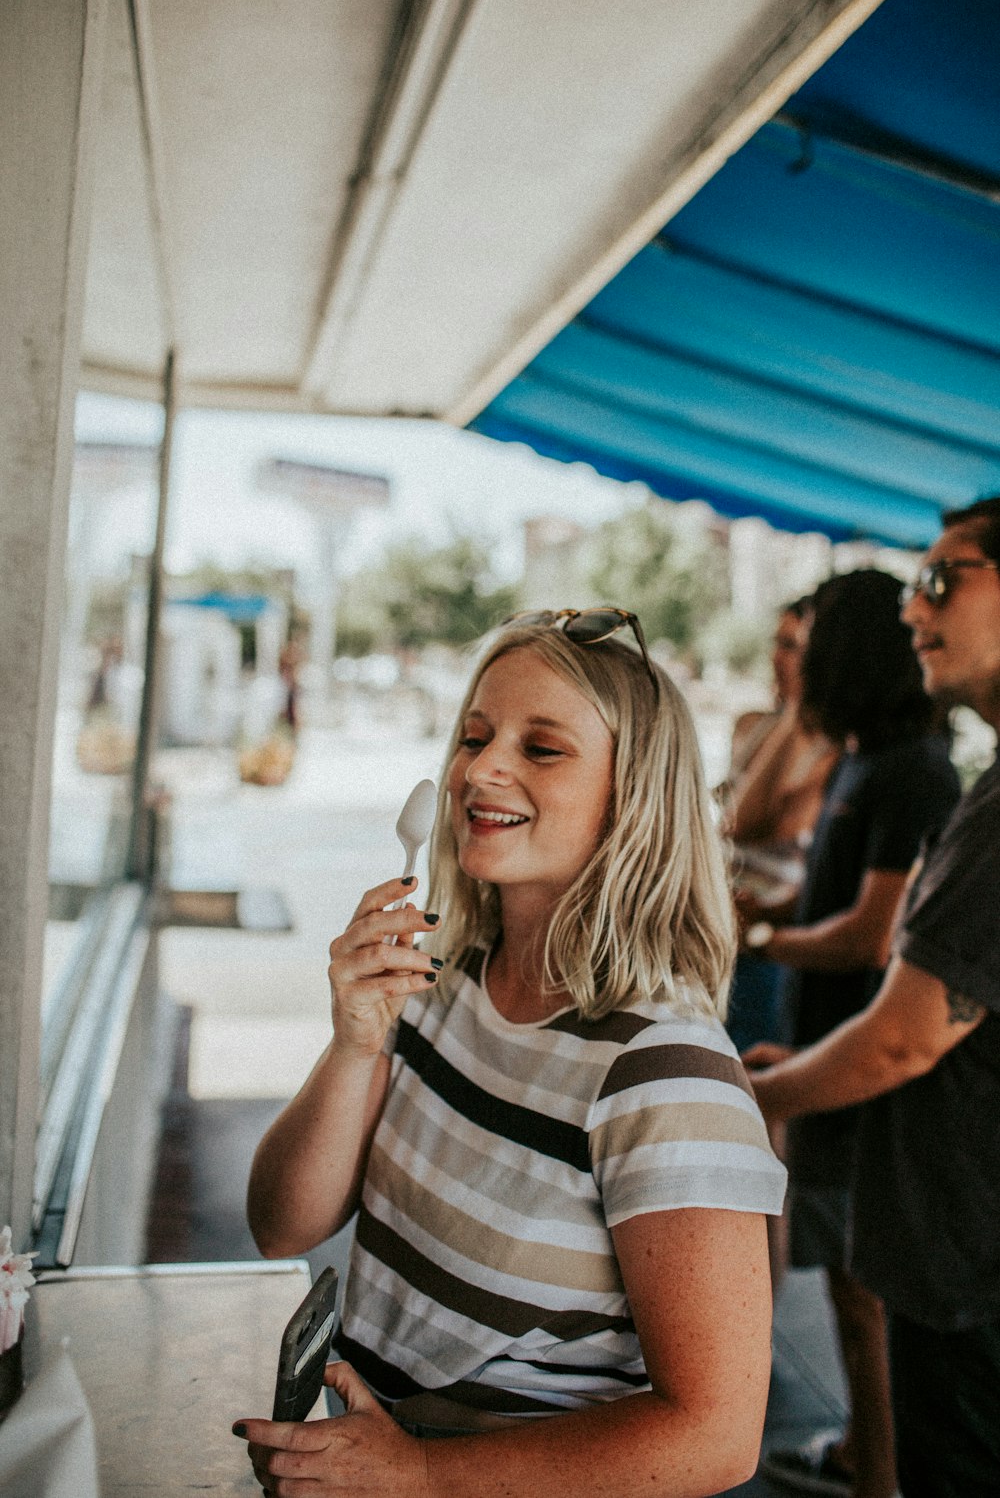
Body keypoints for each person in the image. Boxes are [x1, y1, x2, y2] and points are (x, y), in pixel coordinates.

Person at [234, 607, 786, 1498]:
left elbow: (716, 1436)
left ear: (632, 796)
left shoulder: (666, 1073)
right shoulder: (441, 977)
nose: (477, 770)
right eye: (475, 736)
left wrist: (422, 1472)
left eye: (542, 748)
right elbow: (282, 1225)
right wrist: (352, 1045)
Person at [747, 497, 1000, 1498]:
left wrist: (764, 1097)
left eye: (942, 579)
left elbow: (904, 1038)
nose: (912, 611)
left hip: (968, 1262)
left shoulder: (957, 794)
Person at [722, 596, 839, 1054]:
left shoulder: (833, 752)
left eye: (793, 647)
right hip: (721, 926)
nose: (778, 657)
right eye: (777, 643)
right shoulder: (754, 725)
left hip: (768, 944)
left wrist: (799, 709)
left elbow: (744, 822)